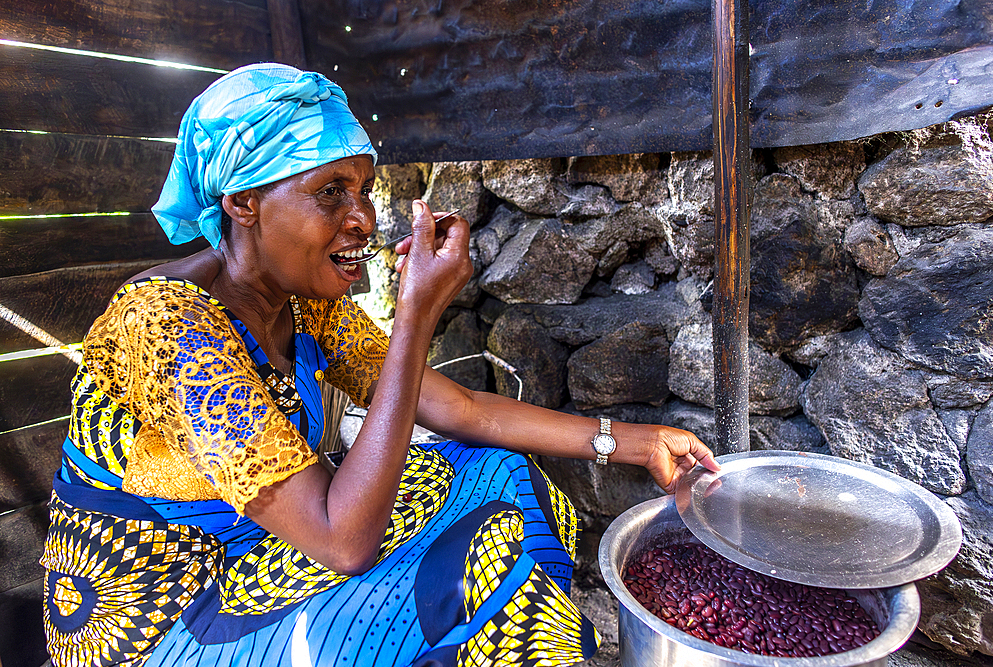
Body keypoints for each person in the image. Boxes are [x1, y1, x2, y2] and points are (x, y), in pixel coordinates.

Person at [39, 63, 720, 667]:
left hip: (268, 555)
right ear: (243, 202)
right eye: (330, 191)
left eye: (362, 189)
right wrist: (415, 316)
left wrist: (638, 441)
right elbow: (343, 541)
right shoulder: (168, 326)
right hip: (155, 626)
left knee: (500, 472)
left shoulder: (302, 300)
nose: (362, 216)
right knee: (487, 552)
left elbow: (460, 410)